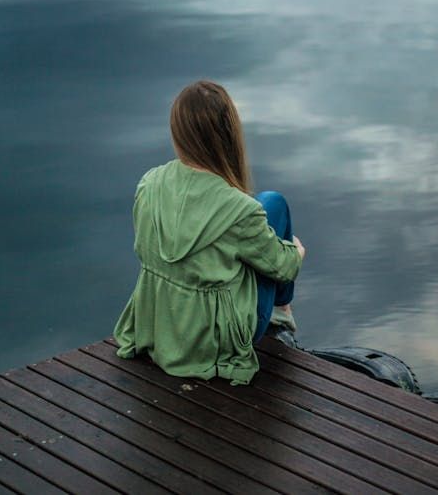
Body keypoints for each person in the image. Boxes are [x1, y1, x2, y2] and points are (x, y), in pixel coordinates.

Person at [113, 80, 306, 385]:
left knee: (263, 209)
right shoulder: (241, 210)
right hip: (214, 342)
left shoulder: (148, 184)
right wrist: (296, 251)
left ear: (178, 133)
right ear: (229, 134)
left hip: (162, 326)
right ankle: (282, 312)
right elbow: (285, 268)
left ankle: (279, 310)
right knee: (274, 203)